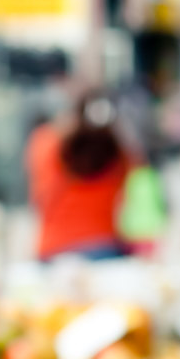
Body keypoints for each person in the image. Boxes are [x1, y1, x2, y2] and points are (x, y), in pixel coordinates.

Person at [24, 90, 131, 260]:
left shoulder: (46, 143)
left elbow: (38, 198)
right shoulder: (119, 153)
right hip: (105, 247)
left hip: (55, 250)